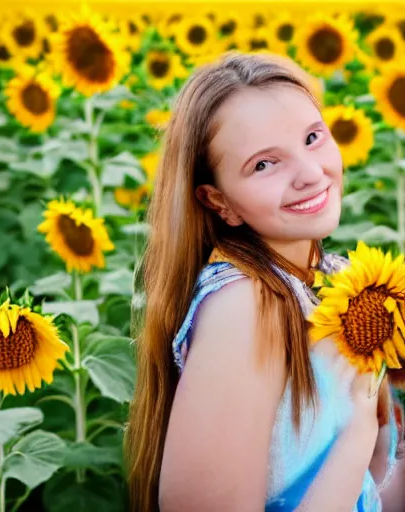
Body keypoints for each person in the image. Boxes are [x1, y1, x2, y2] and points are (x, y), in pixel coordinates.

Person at [124, 51, 405, 511]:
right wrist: (360, 428)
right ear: (219, 201)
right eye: (264, 164)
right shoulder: (247, 307)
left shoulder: (332, 282)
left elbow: (365, 493)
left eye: (313, 138)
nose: (311, 174)